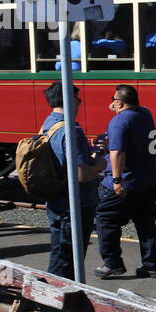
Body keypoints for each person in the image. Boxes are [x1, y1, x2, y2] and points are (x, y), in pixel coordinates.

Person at [94, 85, 156, 279]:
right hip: (150, 179)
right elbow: (155, 140)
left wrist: (117, 180)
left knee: (106, 219)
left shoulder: (119, 121)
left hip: (128, 181)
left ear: (119, 102)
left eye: (114, 100)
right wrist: (118, 106)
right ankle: (151, 265)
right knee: (145, 221)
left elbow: (117, 152)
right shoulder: (145, 114)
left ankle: (112, 263)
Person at [41, 82, 101, 280]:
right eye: (79, 99)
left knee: (59, 254)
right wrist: (100, 165)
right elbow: (82, 175)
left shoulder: (48, 124)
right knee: (67, 263)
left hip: (56, 200)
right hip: (75, 205)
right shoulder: (71, 130)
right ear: (71, 100)